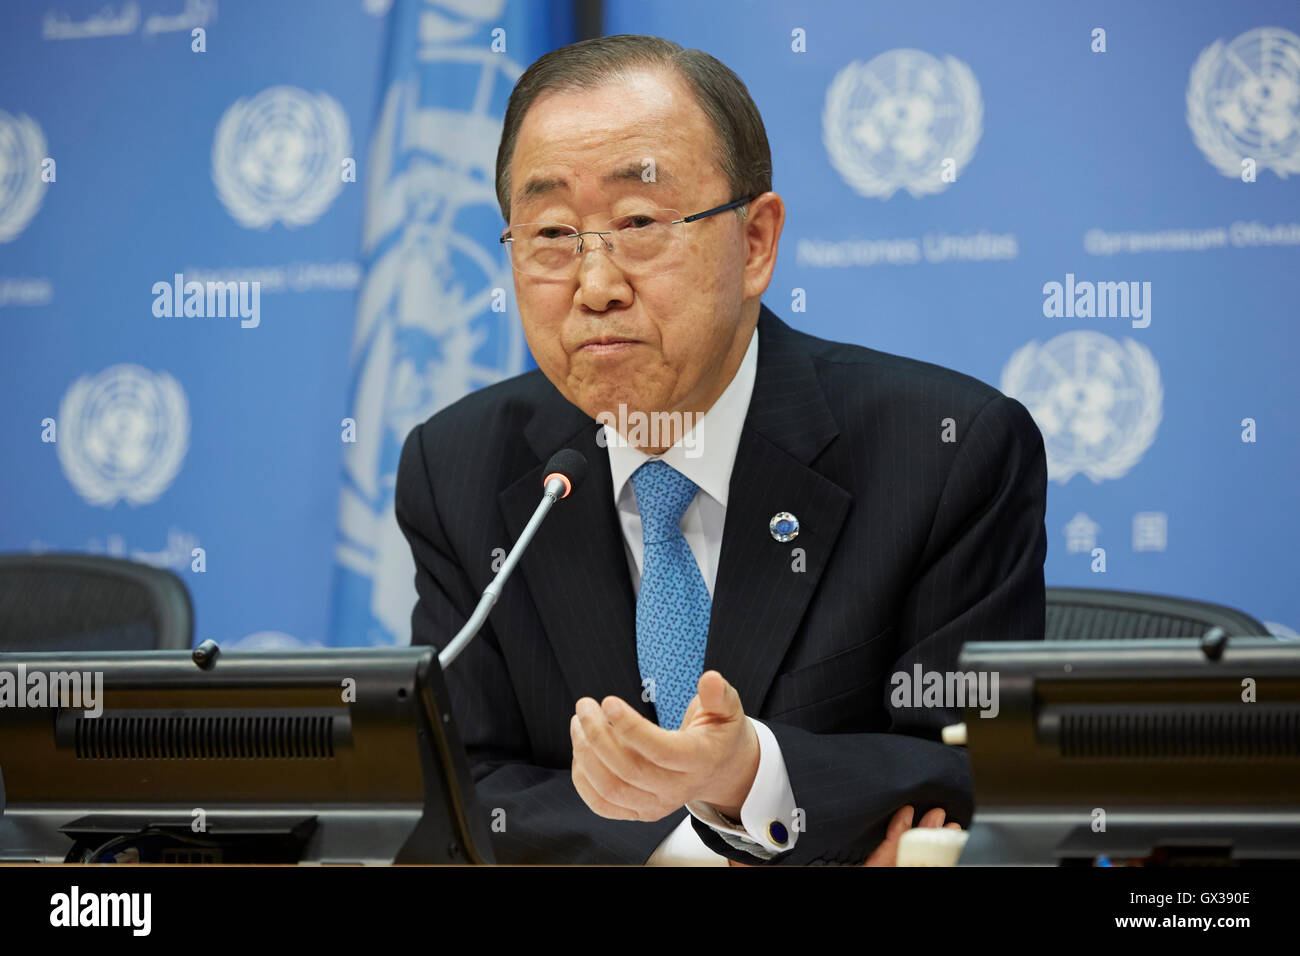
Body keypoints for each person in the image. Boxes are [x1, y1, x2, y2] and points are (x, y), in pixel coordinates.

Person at [396, 34, 1047, 866]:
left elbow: (975, 763)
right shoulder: (458, 468)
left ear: (756, 244)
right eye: (553, 233)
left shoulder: (944, 451)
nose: (595, 286)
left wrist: (751, 776)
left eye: (638, 223)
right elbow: (458, 787)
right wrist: (706, 856)